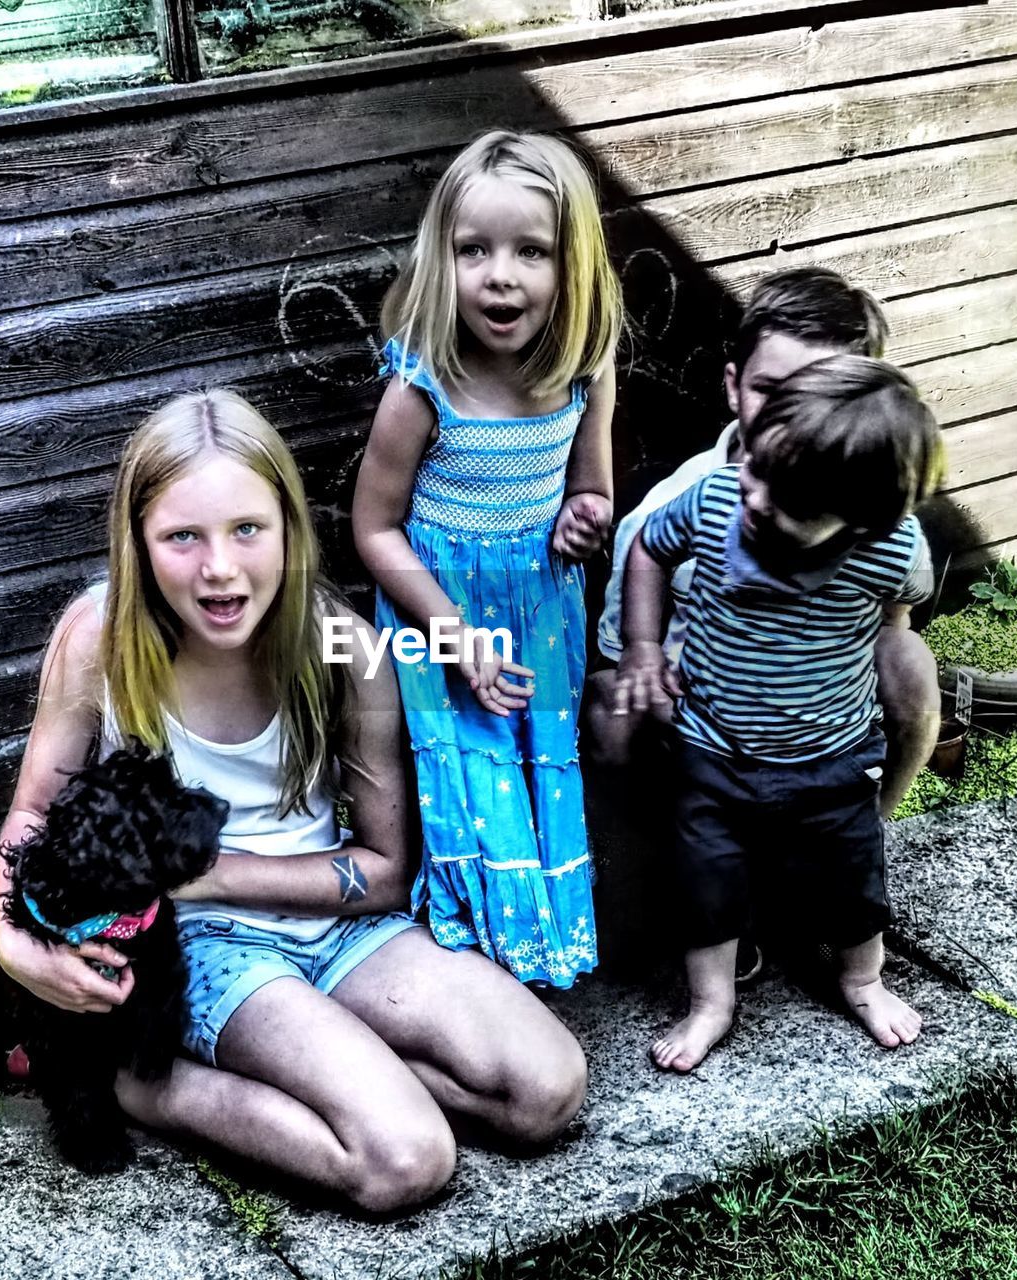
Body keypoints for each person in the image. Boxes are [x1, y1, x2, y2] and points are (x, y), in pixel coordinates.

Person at [0, 390, 587, 1212]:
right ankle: (144, 1086)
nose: (220, 569)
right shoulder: (100, 637)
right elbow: (31, 814)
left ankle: (338, 1058)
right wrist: (17, 942)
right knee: (406, 1162)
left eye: (246, 529)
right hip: (194, 948)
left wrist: (206, 872)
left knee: (547, 1089)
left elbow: (381, 873)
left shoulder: (343, 648)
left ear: (287, 526)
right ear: (138, 543)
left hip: (336, 925)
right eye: (181, 538)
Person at [615, 356, 942, 1072]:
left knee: (854, 879)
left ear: (858, 519)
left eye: (785, 499)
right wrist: (642, 648)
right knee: (706, 884)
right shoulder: (713, 500)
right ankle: (710, 1004)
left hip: (831, 754)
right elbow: (646, 547)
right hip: (710, 746)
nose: (754, 498)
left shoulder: (889, 550)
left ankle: (861, 980)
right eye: (755, 467)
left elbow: (894, 619)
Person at [353, 130, 623, 987]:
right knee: (469, 783)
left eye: (530, 252)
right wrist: (455, 638)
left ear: (571, 265)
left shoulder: (585, 369)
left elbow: (591, 492)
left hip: (541, 608)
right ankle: (479, 964)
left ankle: (536, 943)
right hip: (438, 610)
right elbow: (374, 530)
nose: (498, 274)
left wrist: (586, 520)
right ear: (444, 259)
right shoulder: (421, 387)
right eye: (474, 249)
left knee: (536, 767)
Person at [588, 268, 939, 820]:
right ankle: (649, 847)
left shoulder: (875, 513)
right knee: (610, 706)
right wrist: (657, 675)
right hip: (703, 714)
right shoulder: (672, 509)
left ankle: (871, 823)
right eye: (772, 393)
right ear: (733, 386)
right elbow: (624, 653)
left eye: (818, 397)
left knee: (912, 661)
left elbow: (891, 622)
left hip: (822, 713)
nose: (790, 422)